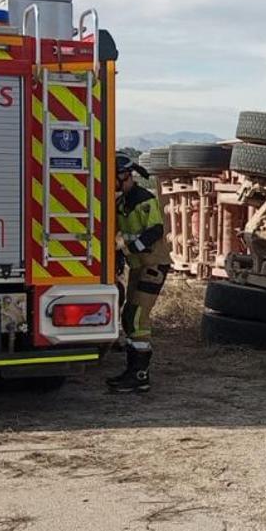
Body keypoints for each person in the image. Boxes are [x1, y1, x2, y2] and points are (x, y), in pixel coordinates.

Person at [106, 153, 172, 392]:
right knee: (128, 317)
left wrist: (129, 247)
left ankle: (140, 375)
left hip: (153, 265)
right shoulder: (122, 203)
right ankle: (132, 371)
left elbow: (154, 231)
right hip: (138, 266)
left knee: (137, 317)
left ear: (124, 175)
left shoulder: (146, 200)